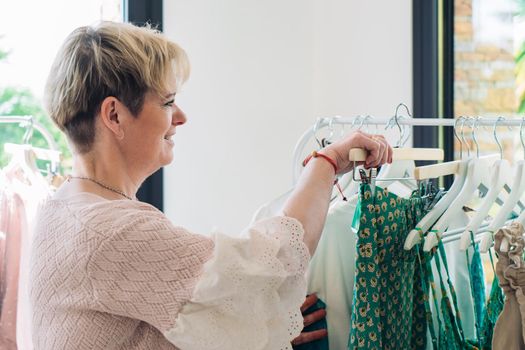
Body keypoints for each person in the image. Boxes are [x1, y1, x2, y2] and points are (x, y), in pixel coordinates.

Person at [29, 21, 392, 350]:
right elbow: (270, 263)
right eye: (168, 102)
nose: (181, 117)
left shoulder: (60, 211)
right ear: (114, 114)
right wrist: (326, 163)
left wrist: (261, 324)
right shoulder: (110, 231)